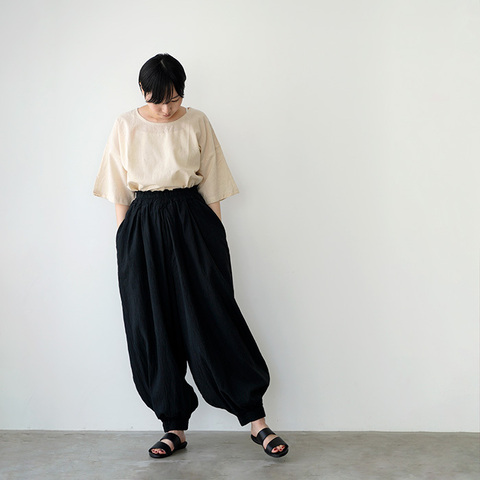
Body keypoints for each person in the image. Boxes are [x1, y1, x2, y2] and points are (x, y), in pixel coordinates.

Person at [93, 53, 289, 459]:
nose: (167, 109)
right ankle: (174, 427)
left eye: (175, 99)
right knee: (153, 323)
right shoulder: (125, 125)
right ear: (142, 91)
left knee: (214, 316)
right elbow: (118, 190)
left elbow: (212, 182)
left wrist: (214, 240)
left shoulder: (197, 121)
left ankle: (256, 421)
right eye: (158, 100)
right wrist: (125, 243)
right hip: (143, 224)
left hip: (192, 219)